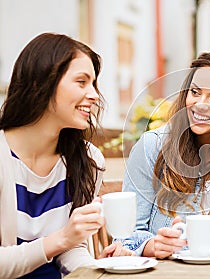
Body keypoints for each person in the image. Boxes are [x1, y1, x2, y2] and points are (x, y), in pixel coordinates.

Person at [0, 33, 131, 278]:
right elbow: (63, 241)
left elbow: (72, 249)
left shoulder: (88, 160)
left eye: (93, 83)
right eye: (81, 82)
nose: (93, 95)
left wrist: (97, 268)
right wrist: (61, 238)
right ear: (40, 83)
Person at [120, 48, 210, 259]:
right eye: (195, 92)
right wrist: (152, 246)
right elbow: (124, 237)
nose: (200, 105)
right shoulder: (152, 146)